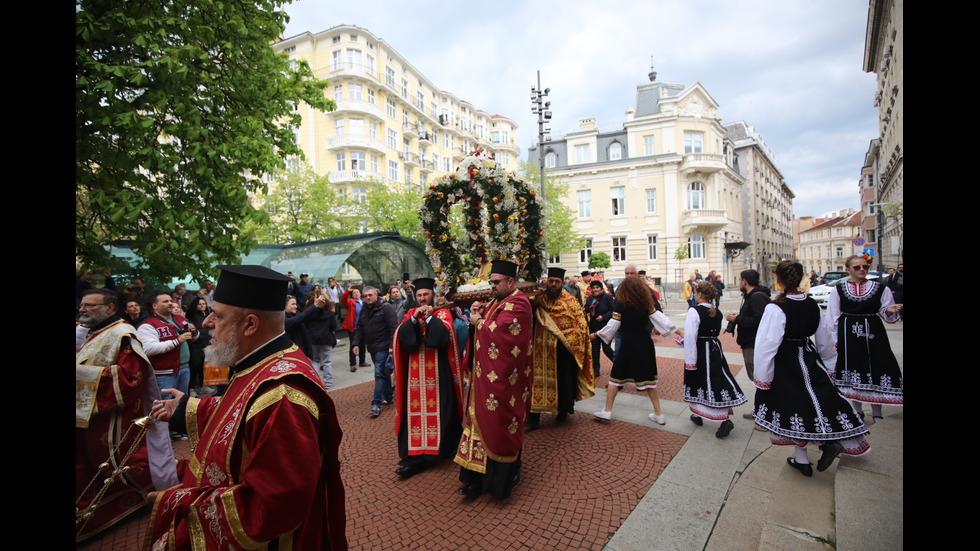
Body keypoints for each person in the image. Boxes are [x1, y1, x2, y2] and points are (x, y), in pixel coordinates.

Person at [146, 265, 347, 550]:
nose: (205, 323)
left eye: (218, 316)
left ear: (250, 325)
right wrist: (186, 409)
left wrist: (180, 501)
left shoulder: (283, 394)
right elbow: (242, 411)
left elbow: (274, 502)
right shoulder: (260, 362)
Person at [76, 289, 177, 542]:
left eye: (89, 305)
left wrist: (81, 376)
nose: (82, 309)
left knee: (120, 467)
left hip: (113, 422)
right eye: (82, 305)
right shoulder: (95, 333)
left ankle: (130, 499)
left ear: (109, 308)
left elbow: (131, 379)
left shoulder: (123, 334)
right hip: (91, 417)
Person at [754, 260, 870, 476]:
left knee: (795, 408)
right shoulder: (812, 304)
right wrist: (829, 365)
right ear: (801, 279)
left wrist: (763, 378)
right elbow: (824, 341)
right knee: (806, 406)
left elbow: (767, 346)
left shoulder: (776, 308)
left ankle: (812, 454)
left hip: (786, 363)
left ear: (778, 280)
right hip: (808, 358)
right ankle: (802, 459)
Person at [455, 260, 533, 499]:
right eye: (491, 282)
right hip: (484, 379)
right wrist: (478, 315)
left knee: (501, 426)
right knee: (478, 423)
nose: (492, 287)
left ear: (511, 282)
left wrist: (478, 321)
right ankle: (476, 479)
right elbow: (484, 326)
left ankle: (502, 481)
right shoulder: (496, 301)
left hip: (506, 382)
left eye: (496, 282)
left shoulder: (519, 303)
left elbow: (502, 334)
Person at [392, 278, 465, 478]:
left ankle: (438, 451)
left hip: (439, 374)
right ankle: (415, 453)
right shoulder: (410, 314)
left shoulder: (442, 313)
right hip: (415, 375)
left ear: (432, 295)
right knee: (413, 412)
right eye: (419, 296)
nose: (423, 299)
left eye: (426, 295)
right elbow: (402, 338)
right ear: (415, 298)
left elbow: (443, 338)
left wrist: (431, 319)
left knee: (442, 411)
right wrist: (414, 320)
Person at [828, 255, 903, 423]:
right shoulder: (838, 290)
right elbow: (832, 318)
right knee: (854, 370)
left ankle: (877, 412)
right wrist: (834, 341)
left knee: (878, 367)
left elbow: (886, 313)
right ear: (848, 270)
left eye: (865, 267)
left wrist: (890, 311)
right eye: (857, 267)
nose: (862, 270)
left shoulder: (879, 288)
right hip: (849, 335)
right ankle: (857, 411)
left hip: (874, 334)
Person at [592, 276, 677, 425]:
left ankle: (607, 411)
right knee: (650, 381)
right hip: (645, 344)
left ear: (623, 289)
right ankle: (659, 414)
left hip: (628, 345)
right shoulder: (646, 303)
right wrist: (675, 330)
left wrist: (596, 334)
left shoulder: (621, 304)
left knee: (615, 379)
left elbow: (613, 325)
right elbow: (659, 318)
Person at [527, 267, 594, 430]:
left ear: (562, 283)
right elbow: (527, 318)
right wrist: (533, 306)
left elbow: (580, 326)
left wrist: (570, 343)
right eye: (551, 281)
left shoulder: (570, 301)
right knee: (536, 383)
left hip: (563, 352)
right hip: (540, 351)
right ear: (547, 282)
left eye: (557, 282)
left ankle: (563, 411)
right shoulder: (539, 299)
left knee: (564, 382)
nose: (554, 285)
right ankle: (533, 419)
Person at [683, 282, 747, 437]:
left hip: (700, 349)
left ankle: (724, 420)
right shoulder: (716, 311)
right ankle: (698, 415)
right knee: (714, 379)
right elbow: (715, 332)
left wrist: (690, 361)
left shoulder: (694, 311)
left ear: (698, 294)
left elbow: (691, 336)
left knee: (701, 381)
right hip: (714, 348)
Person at [724, 270, 771, 420]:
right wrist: (739, 317)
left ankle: (766, 414)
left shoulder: (757, 297)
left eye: (739, 281)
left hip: (755, 344)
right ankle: (759, 409)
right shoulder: (753, 296)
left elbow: (759, 321)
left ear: (744, 281)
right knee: (757, 379)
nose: (739, 284)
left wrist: (738, 320)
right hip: (751, 343)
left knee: (760, 379)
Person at [138, 293, 198, 400]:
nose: (170, 303)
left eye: (171, 301)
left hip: (184, 369)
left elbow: (194, 339)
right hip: (164, 374)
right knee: (164, 406)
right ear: (154, 306)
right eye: (165, 301)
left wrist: (194, 332)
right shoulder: (148, 325)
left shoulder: (181, 319)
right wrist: (177, 341)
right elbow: (148, 349)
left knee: (181, 403)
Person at [353, 286, 398, 417]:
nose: (367, 298)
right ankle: (388, 396)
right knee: (383, 373)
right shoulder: (364, 309)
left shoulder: (386, 308)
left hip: (383, 347)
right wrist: (356, 343)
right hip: (372, 347)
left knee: (379, 374)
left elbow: (393, 327)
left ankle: (376, 403)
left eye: (370, 295)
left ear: (376, 295)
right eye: (365, 296)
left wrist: (391, 345)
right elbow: (360, 327)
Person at [585, 280, 615, 379]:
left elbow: (613, 310)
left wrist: (604, 316)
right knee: (595, 350)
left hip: (605, 328)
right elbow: (587, 307)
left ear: (601, 288)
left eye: (597, 287)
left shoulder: (607, 297)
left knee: (607, 349)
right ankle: (596, 370)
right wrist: (583, 309)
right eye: (593, 288)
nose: (595, 289)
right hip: (594, 327)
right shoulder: (590, 298)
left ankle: (619, 365)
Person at [340, 285, 367, 371]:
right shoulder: (351, 302)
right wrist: (348, 291)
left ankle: (362, 361)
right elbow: (343, 300)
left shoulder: (364, 301)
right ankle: (353, 364)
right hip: (354, 327)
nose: (356, 294)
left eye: (357, 292)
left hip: (364, 327)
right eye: (354, 293)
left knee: (363, 345)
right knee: (354, 345)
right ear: (352, 295)